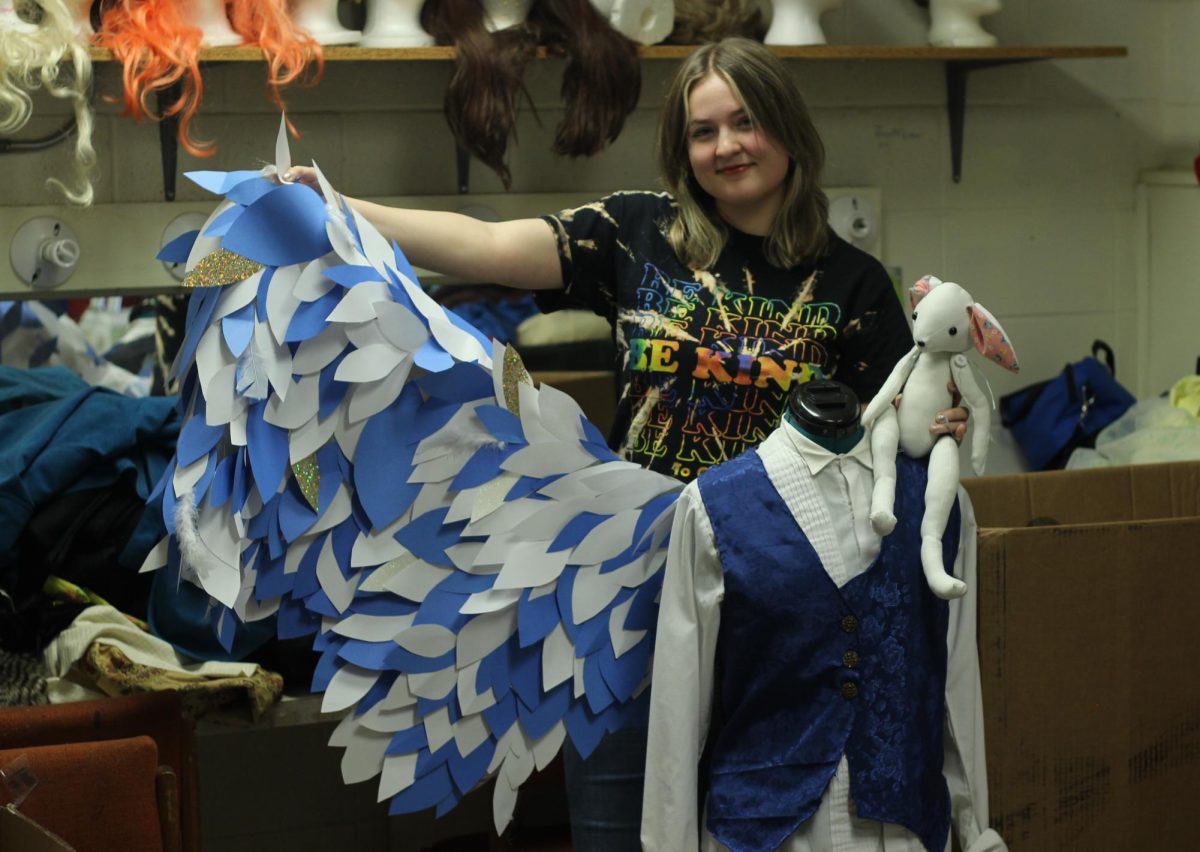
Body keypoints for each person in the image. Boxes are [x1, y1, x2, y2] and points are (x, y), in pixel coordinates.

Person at [285, 35, 967, 852]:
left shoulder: (854, 283)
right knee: (619, 831)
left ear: (787, 128)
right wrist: (335, 206)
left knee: (755, 830)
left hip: (778, 608)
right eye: (703, 131)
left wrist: (946, 424)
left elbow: (896, 433)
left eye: (744, 122)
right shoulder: (638, 233)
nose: (726, 147)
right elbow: (489, 246)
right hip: (629, 591)